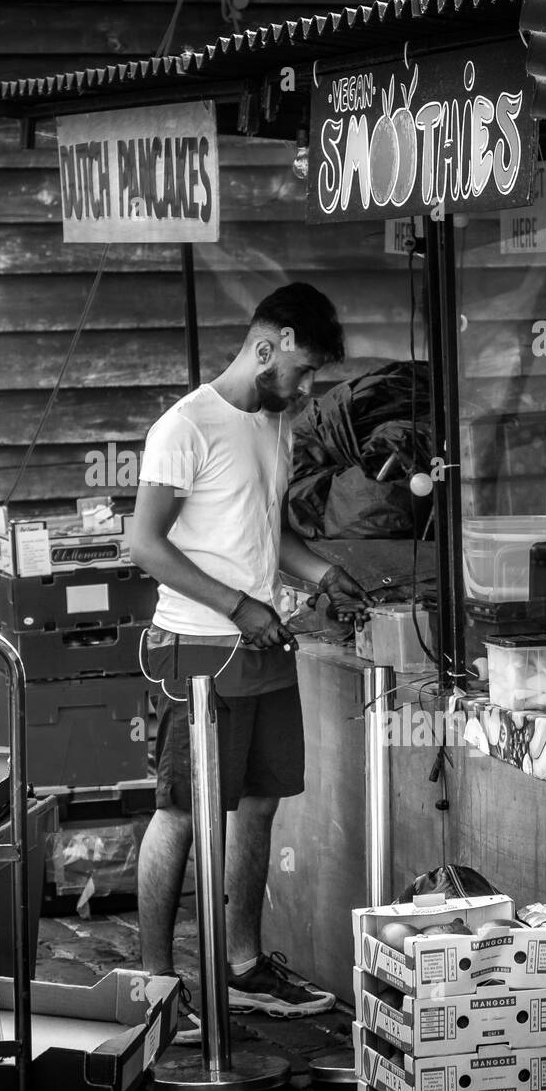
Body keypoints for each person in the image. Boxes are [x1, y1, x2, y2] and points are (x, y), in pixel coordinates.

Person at [131, 281, 373, 1045]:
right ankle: (154, 983)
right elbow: (145, 544)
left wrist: (322, 573)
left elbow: (267, 537)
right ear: (268, 346)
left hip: (263, 644)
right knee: (179, 812)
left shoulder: (274, 428)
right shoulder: (184, 427)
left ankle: (240, 966)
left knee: (260, 804)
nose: (305, 389)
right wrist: (238, 607)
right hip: (197, 651)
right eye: (302, 372)